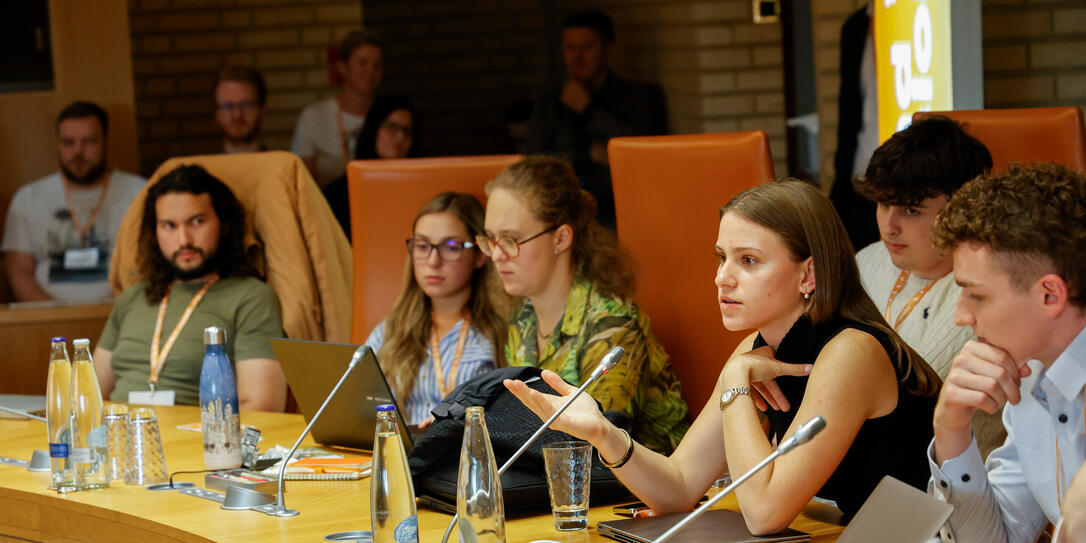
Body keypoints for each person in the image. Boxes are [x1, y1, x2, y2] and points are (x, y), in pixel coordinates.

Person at [507, 179, 941, 532]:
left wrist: (735, 382)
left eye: (748, 261)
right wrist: (603, 433)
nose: (721, 278)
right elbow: (678, 486)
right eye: (721, 258)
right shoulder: (759, 348)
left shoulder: (852, 351)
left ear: (808, 273)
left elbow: (765, 513)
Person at [480, 156, 688, 455]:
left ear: (561, 239)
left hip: (640, 494)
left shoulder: (613, 325)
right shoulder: (522, 316)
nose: (496, 255)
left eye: (511, 239)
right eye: (490, 239)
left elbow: (595, 446)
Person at [927, 162, 1086, 543]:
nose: (960, 316)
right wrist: (951, 431)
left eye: (976, 295)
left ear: (1050, 295)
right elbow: (995, 539)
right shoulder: (1032, 380)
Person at [853, 117, 1005, 458]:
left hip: (955, 488)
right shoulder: (867, 261)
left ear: (960, 209)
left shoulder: (988, 292)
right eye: (882, 204)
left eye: (911, 210)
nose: (889, 226)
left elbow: (907, 403)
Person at [93, 164, 287, 412]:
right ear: (155, 233)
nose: (184, 239)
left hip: (192, 442)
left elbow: (263, 406)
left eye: (197, 221)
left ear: (223, 224)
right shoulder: (134, 296)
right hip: (118, 438)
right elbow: (90, 394)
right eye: (169, 226)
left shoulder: (252, 297)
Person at [364, 192, 507, 426]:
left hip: (467, 455)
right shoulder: (389, 331)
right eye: (422, 246)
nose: (433, 261)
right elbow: (358, 407)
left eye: (451, 247)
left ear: (480, 255)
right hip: (403, 455)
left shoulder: (502, 331)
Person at [524, 9, 668, 230]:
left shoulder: (640, 97)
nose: (577, 56)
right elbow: (532, 160)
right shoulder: (549, 103)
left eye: (587, 47)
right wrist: (589, 154)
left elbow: (645, 153)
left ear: (606, 49)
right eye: (570, 48)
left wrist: (588, 109)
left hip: (625, 213)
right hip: (563, 215)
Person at [3, 101, 145, 302]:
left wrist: (122, 310)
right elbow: (18, 271)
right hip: (46, 318)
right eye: (68, 142)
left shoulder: (139, 192)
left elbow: (151, 267)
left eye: (89, 141)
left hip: (122, 312)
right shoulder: (28, 198)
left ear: (105, 141)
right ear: (58, 144)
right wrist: (54, 316)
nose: (78, 152)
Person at [291, 30, 384, 188]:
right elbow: (302, 182)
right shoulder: (313, 117)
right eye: (362, 63)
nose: (370, 71)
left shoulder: (390, 117)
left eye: (377, 65)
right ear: (343, 67)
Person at [322, 94, 418, 240]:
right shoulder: (339, 193)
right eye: (392, 127)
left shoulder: (416, 188)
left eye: (407, 131)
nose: (400, 137)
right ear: (374, 129)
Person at [213, 65, 267, 154]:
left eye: (246, 105)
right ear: (216, 113)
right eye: (227, 106)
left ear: (263, 109)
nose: (237, 114)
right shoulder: (208, 167)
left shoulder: (284, 167)